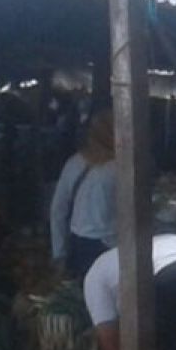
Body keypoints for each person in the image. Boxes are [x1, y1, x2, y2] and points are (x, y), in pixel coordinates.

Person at [49, 109, 117, 278]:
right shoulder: (121, 168)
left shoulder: (73, 163)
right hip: (112, 246)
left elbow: (58, 210)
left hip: (79, 246)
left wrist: (59, 252)